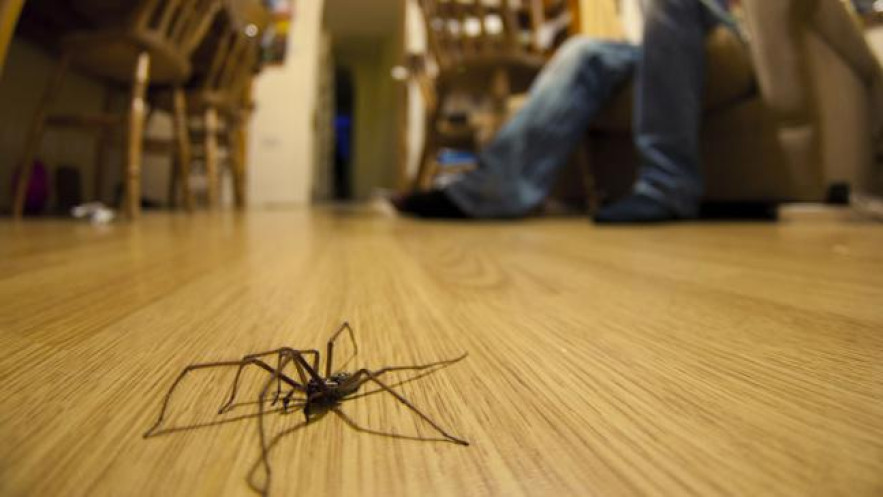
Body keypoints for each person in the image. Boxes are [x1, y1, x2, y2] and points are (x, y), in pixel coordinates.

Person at [394, 0, 740, 223]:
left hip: (720, 19)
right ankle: (491, 189)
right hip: (649, 45)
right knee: (582, 51)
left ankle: (669, 186)